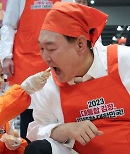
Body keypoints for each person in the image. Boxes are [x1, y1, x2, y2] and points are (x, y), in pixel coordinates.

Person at [25, 2, 130, 154]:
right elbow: (37, 129)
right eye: (41, 49)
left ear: (80, 44)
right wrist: (64, 129)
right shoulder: (47, 84)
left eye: (51, 48)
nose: (45, 57)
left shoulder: (123, 61)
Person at [0, 0, 73, 143]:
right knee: (28, 111)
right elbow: (8, 25)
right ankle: (28, 148)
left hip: (57, 60)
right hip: (26, 61)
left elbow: (72, 21)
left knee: (59, 109)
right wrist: (6, 56)